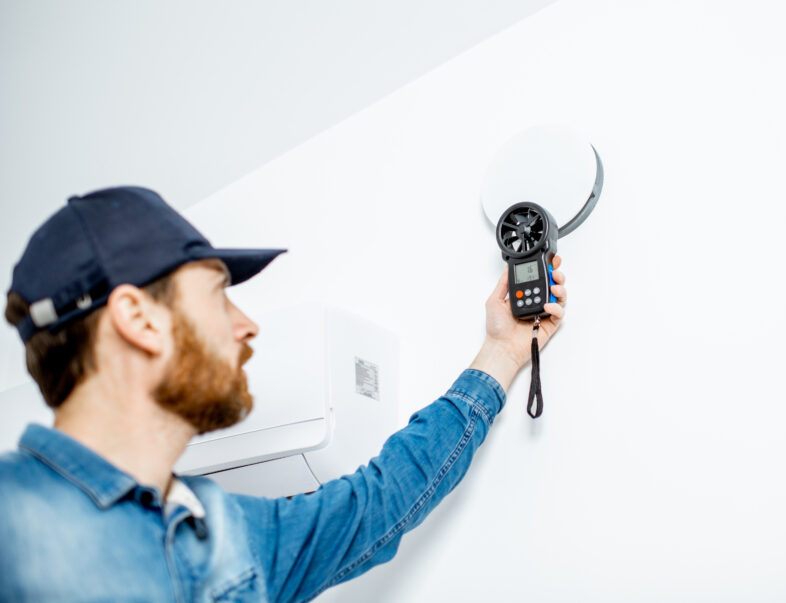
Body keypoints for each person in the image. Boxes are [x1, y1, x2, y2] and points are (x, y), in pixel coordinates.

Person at [0, 185, 567, 601]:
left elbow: (380, 500)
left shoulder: (226, 534)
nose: (247, 325)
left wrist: (505, 351)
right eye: (220, 294)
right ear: (137, 318)